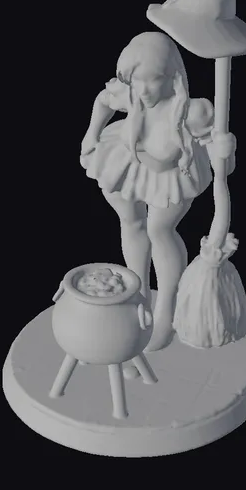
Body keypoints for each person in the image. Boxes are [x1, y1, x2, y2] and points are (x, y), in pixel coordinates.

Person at [80, 32, 236, 352]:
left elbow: (223, 164)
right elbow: (103, 100)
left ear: (173, 77)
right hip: (128, 163)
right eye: (137, 80)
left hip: (170, 176)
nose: (145, 90)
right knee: (132, 223)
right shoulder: (130, 93)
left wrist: (226, 151)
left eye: (154, 80)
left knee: (159, 230)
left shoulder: (192, 111)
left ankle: (166, 311)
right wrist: (91, 135)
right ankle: (137, 300)